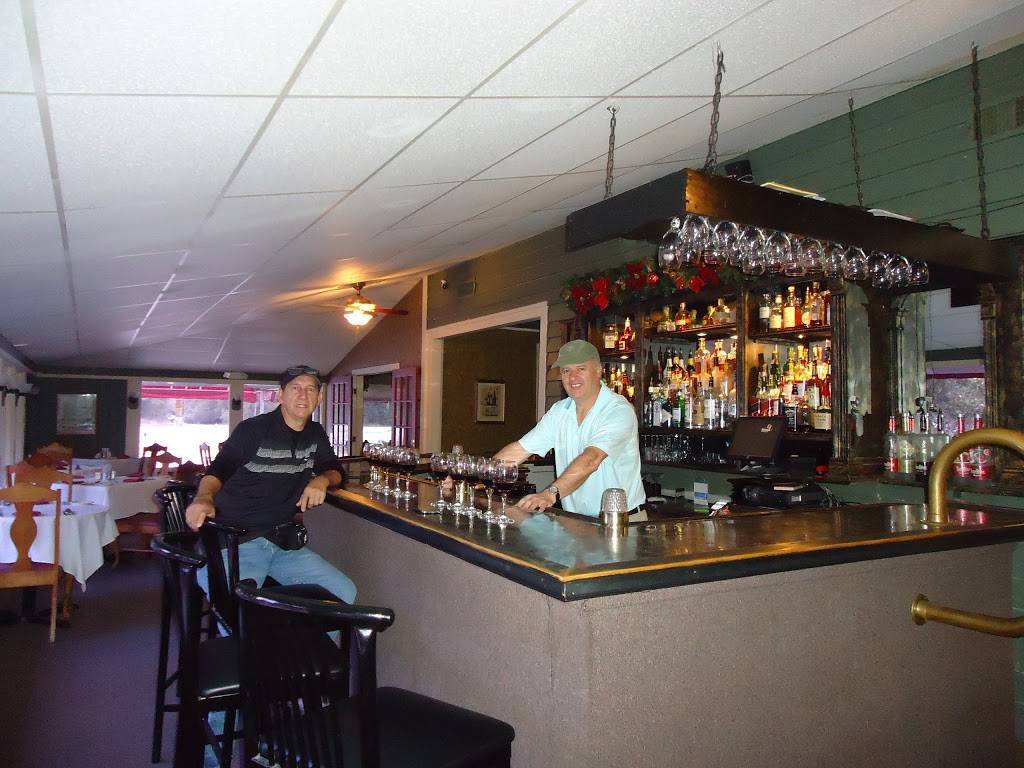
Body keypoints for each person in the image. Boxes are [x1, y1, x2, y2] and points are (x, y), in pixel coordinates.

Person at [185, 364, 356, 603]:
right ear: (280, 395)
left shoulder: (315, 434)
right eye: (295, 388)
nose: (303, 395)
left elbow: (336, 471)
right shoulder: (253, 430)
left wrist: (322, 479)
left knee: (343, 593)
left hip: (280, 542)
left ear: (319, 398)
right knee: (239, 609)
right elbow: (218, 470)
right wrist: (204, 498)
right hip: (236, 541)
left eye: (310, 389)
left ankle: (301, 630)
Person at [495, 339, 644, 516]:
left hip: (621, 522)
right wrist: (479, 475)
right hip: (577, 521)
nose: (573, 377)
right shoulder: (559, 411)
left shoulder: (617, 410)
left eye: (581, 368)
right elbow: (519, 450)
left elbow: (592, 460)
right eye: (566, 370)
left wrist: (550, 494)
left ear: (598, 371)